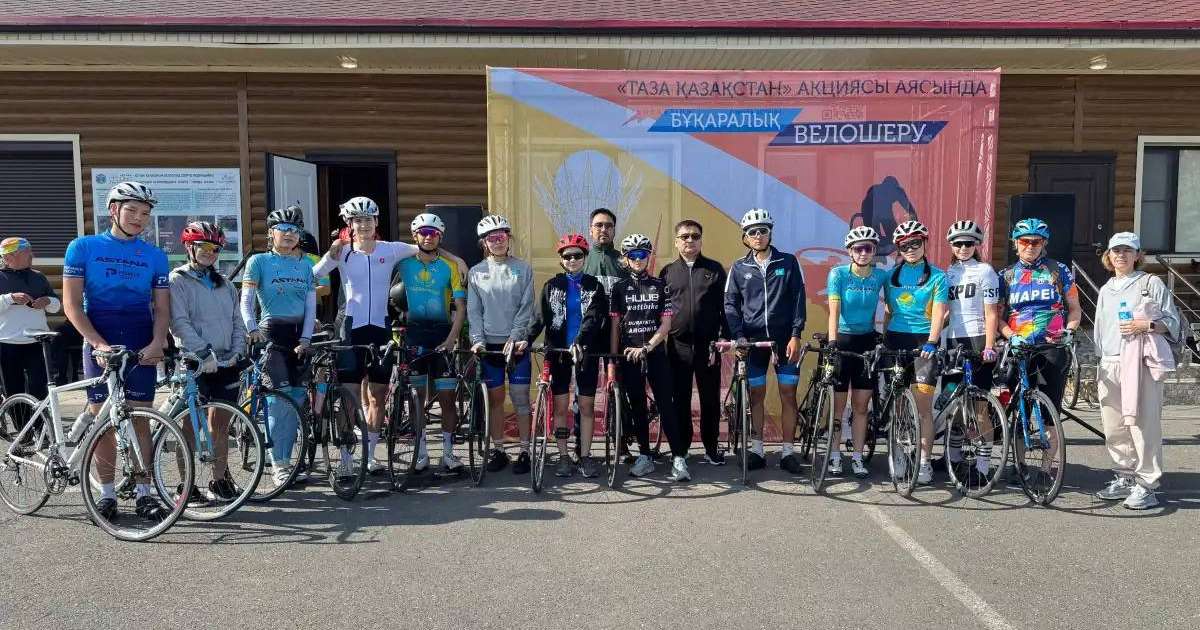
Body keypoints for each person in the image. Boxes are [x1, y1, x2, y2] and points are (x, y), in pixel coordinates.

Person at [62, 181, 172, 521]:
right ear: (113, 210)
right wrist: (97, 342)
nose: (139, 218)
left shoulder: (154, 256)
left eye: (145, 214)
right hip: (101, 334)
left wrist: (157, 342)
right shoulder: (83, 247)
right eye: (132, 211)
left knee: (139, 419)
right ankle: (107, 495)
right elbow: (71, 305)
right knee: (105, 421)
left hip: (140, 335)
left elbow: (162, 310)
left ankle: (143, 493)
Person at [313, 196, 419, 474]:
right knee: (348, 397)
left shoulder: (390, 249)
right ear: (349, 224)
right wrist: (331, 251)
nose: (363, 224)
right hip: (350, 328)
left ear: (376, 222)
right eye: (357, 220)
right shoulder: (343, 252)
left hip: (380, 329)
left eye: (368, 219)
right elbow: (313, 276)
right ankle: (347, 458)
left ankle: (370, 456)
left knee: (378, 395)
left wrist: (456, 259)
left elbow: (427, 246)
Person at [1092, 232, 1179, 510]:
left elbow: (1173, 321)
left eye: (1128, 251)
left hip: (1139, 363)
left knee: (1144, 424)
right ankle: (1125, 475)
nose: (1121, 255)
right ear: (1109, 255)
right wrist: (1100, 360)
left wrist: (1147, 327)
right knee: (1114, 426)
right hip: (1111, 362)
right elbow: (1099, 330)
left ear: (1138, 255)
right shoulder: (1106, 288)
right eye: (1116, 250)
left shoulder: (1150, 283)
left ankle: (1147, 484)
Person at [168, 221, 247, 502]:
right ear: (189, 247)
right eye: (204, 246)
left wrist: (238, 349)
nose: (210, 253)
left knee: (221, 425)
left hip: (226, 361)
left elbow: (237, 321)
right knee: (188, 425)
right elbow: (178, 322)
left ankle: (219, 479)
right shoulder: (177, 280)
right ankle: (186, 484)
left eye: (215, 248)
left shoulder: (224, 283)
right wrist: (202, 353)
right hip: (195, 361)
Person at [723, 208, 807, 473]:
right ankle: (757, 449)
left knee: (788, 395)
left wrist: (796, 334)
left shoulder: (788, 262)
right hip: (753, 343)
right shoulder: (739, 267)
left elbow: (798, 300)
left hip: (784, 341)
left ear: (770, 232)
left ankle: (787, 452)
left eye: (763, 231)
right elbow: (731, 305)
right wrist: (738, 337)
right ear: (745, 238)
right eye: (752, 232)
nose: (758, 236)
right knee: (756, 396)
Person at [241, 207, 317, 487]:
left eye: (293, 230)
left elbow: (311, 307)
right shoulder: (259, 261)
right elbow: (246, 300)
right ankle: (278, 465)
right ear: (271, 233)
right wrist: (251, 329)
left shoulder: (306, 264)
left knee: (296, 401)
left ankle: (287, 459)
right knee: (278, 400)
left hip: (299, 338)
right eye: (282, 229)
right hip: (271, 335)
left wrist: (307, 339)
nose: (288, 234)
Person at [526, 233, 608, 478]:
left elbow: (594, 317)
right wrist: (525, 340)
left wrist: (580, 341)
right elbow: (540, 319)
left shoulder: (595, 285)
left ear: (584, 257)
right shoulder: (552, 285)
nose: (572, 260)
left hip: (585, 351)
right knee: (560, 407)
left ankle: (584, 456)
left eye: (577, 255)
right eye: (567, 256)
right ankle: (563, 457)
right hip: (559, 351)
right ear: (561, 259)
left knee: (586, 405)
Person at [392, 212, 467, 473]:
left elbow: (460, 307)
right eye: (423, 232)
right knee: (416, 399)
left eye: (433, 233)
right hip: (414, 335)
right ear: (415, 236)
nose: (427, 237)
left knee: (447, 398)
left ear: (440, 237)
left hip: (442, 334)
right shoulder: (403, 262)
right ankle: (421, 452)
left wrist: (451, 340)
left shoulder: (450, 267)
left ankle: (448, 453)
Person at [609, 234, 687, 481]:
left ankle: (678, 457)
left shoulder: (659, 284)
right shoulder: (618, 288)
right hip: (629, 356)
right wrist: (613, 358)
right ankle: (644, 455)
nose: (638, 259)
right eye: (633, 255)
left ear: (649, 256)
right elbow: (615, 326)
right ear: (625, 258)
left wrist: (649, 347)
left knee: (667, 405)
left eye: (643, 254)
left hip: (655, 355)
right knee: (638, 408)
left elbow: (665, 325)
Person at [466, 215, 534, 475]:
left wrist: (516, 337)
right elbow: (474, 311)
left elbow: (526, 307)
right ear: (484, 243)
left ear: (509, 238)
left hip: (516, 346)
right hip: (490, 348)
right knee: (495, 401)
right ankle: (499, 450)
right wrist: (477, 341)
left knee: (520, 400)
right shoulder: (476, 272)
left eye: (502, 237)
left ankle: (525, 450)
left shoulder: (523, 268)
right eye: (491, 238)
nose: (497, 242)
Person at [658, 219, 729, 466]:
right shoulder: (667, 272)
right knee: (681, 398)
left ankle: (711, 448)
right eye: (685, 236)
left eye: (695, 236)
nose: (690, 240)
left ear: (701, 240)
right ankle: (683, 447)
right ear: (676, 241)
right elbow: (661, 311)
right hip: (678, 346)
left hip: (708, 347)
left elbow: (725, 307)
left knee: (710, 399)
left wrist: (724, 337)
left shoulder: (715, 269)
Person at [882, 220, 948, 485]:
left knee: (923, 409)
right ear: (899, 248)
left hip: (924, 343)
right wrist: (884, 338)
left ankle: (923, 462)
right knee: (898, 404)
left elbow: (940, 312)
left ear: (924, 244)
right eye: (905, 245)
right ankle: (899, 454)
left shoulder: (938, 276)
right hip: (895, 341)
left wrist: (932, 341)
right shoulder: (890, 276)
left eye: (915, 244)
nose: (911, 249)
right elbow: (888, 310)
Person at [997, 218, 1082, 409]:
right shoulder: (1005, 275)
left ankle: (1052, 438)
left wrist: (1070, 331)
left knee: (1051, 409)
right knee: (1018, 410)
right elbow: (997, 317)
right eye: (1025, 241)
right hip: (1020, 346)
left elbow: (1075, 309)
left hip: (1052, 345)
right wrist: (1011, 337)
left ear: (1043, 243)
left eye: (1036, 241)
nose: (1030, 246)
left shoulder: (1059, 270)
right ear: (1016, 244)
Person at [825, 226, 888, 479]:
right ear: (850, 251)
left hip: (867, 343)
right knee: (839, 408)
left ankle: (858, 457)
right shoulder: (838, 274)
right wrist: (832, 342)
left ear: (874, 251)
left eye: (868, 248)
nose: (863, 253)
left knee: (861, 407)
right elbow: (834, 310)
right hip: (843, 341)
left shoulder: (881, 276)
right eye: (858, 248)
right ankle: (835, 455)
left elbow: (896, 302)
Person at [941, 220, 1001, 479]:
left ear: (976, 245)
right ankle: (953, 459)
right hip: (953, 341)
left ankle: (983, 466)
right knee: (953, 403)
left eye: (968, 243)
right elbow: (943, 313)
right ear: (951, 246)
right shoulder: (948, 273)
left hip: (977, 339)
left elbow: (991, 313)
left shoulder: (985, 271)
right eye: (958, 243)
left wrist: (989, 345)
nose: (963, 247)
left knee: (979, 407)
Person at [0, 237, 60, 401]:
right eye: (26, 251)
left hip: (37, 342)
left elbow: (56, 306)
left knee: (41, 387)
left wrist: (47, 301)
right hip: (7, 343)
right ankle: (22, 426)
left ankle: (40, 425)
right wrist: (9, 298)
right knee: (14, 389)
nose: (31, 255)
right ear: (8, 257)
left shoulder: (38, 277)